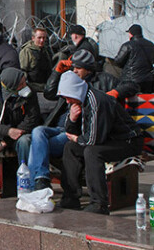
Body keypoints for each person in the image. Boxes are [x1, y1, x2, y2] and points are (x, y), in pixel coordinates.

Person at [29, 49, 137, 190]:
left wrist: (114, 93)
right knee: (37, 132)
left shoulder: (103, 81)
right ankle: (40, 181)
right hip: (61, 126)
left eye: (78, 68)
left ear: (88, 69)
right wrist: (57, 71)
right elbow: (49, 93)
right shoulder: (69, 80)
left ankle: (36, 185)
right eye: (73, 68)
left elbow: (132, 85)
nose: (75, 71)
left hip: (79, 130)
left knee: (36, 145)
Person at [57, 71, 143, 215]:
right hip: (107, 140)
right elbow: (71, 132)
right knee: (70, 148)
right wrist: (72, 119)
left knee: (92, 152)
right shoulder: (77, 101)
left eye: (68, 97)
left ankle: (99, 203)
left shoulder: (96, 101)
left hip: (128, 141)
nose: (67, 101)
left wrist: (77, 139)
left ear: (75, 92)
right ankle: (70, 196)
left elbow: (93, 140)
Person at [113, 24, 154, 93]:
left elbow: (118, 61)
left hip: (131, 80)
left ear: (131, 34)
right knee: (147, 101)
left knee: (130, 102)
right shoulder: (151, 45)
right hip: (148, 80)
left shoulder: (128, 45)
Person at [19, 28, 52, 92]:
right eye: (39, 38)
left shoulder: (45, 51)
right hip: (33, 87)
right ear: (33, 38)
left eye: (44, 38)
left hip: (45, 86)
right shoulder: (27, 51)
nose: (42, 40)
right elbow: (23, 70)